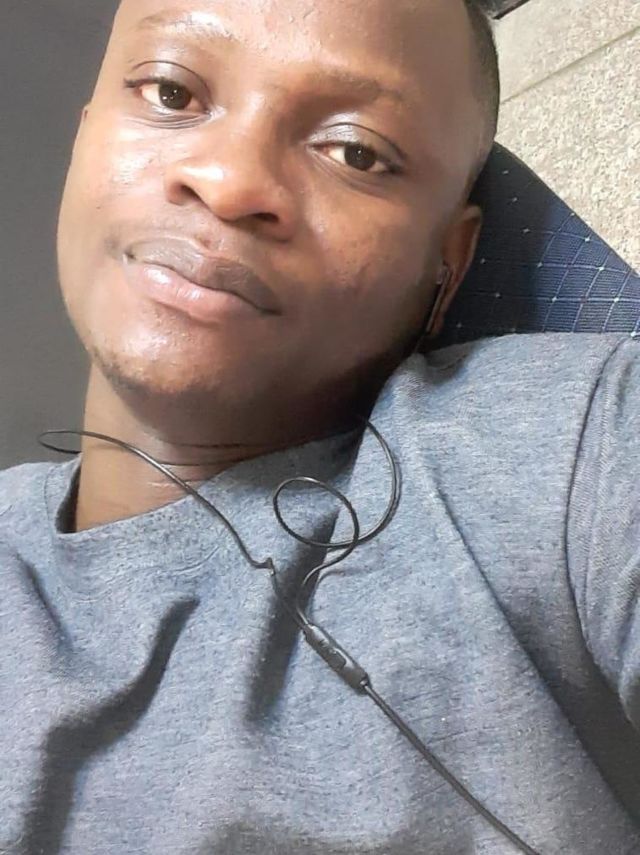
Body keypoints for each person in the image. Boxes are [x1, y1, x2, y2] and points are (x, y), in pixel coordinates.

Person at [0, 0, 638, 852]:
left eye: (355, 151)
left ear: (448, 264)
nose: (228, 181)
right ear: (86, 138)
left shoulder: (571, 449)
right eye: (171, 92)